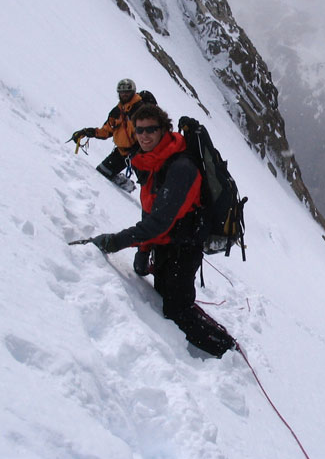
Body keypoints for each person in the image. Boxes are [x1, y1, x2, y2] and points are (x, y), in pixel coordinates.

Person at [88, 104, 237, 358]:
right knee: (165, 297)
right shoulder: (153, 161)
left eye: (151, 130)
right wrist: (144, 249)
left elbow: (158, 221)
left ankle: (225, 349)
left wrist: (115, 242)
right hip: (167, 243)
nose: (144, 135)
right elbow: (151, 212)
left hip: (185, 246)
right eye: (140, 130)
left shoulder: (180, 168)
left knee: (176, 309)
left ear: (164, 130)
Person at [71, 78, 149, 193]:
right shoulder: (117, 111)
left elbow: (149, 134)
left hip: (141, 154)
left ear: (133, 91)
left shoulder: (141, 110)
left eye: (127, 91)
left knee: (149, 186)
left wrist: (139, 149)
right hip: (122, 153)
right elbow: (107, 131)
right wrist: (88, 132)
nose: (124, 94)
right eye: (122, 92)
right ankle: (124, 183)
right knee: (102, 173)